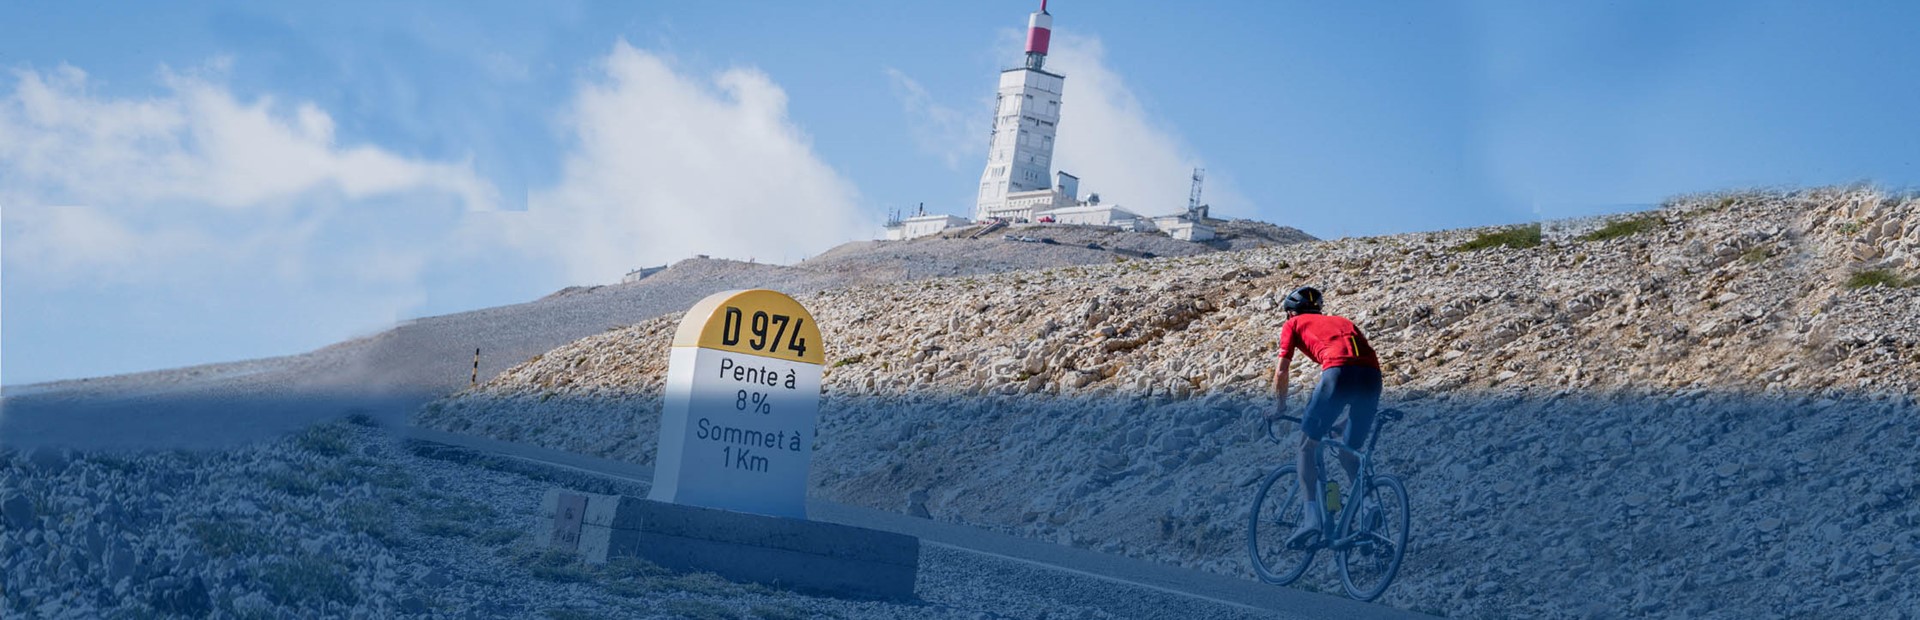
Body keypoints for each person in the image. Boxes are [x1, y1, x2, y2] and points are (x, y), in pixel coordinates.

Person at [1268, 286, 1383, 548]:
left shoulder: (1293, 324)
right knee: (1348, 451)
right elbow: (1361, 364)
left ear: (1290, 313)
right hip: (1372, 378)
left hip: (1338, 374)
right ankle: (1368, 504)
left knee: (1306, 447)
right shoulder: (1342, 321)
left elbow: (1282, 372)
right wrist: (1341, 423)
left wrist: (1279, 407)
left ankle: (1311, 519)